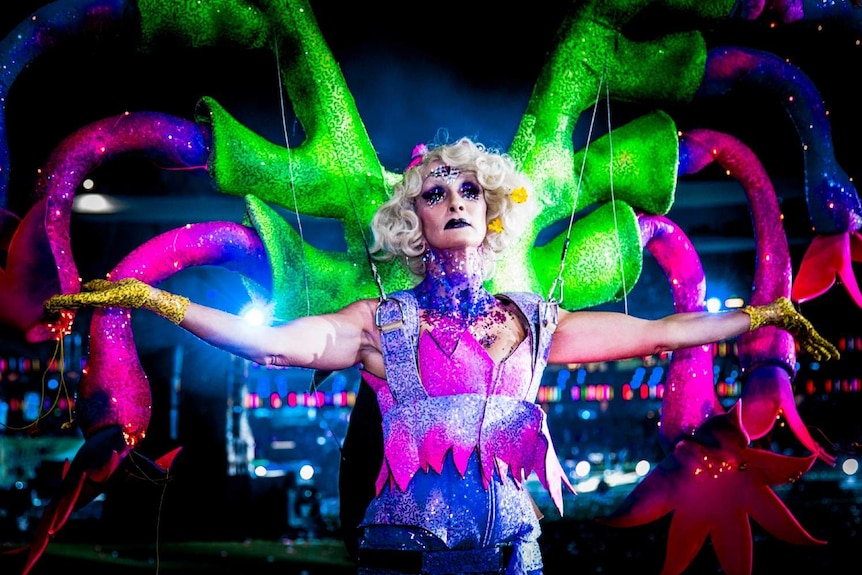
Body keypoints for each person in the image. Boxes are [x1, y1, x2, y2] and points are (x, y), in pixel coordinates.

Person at [44, 137, 839, 575]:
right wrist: (154, 300)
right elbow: (270, 344)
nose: (455, 202)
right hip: (403, 556)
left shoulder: (535, 319)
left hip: (511, 555)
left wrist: (764, 317)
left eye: (468, 191)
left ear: (488, 212)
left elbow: (665, 332)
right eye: (436, 192)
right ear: (412, 220)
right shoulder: (376, 321)